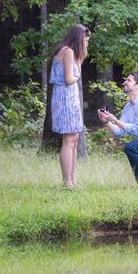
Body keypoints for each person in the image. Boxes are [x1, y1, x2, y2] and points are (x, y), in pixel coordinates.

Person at [51, 24, 91, 188]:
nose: (86, 43)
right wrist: (78, 74)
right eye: (85, 40)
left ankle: (73, 180)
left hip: (71, 97)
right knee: (68, 139)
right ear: (78, 38)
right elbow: (69, 79)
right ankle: (67, 181)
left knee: (74, 138)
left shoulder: (73, 54)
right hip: (65, 97)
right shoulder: (67, 51)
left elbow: (75, 73)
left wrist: (80, 60)